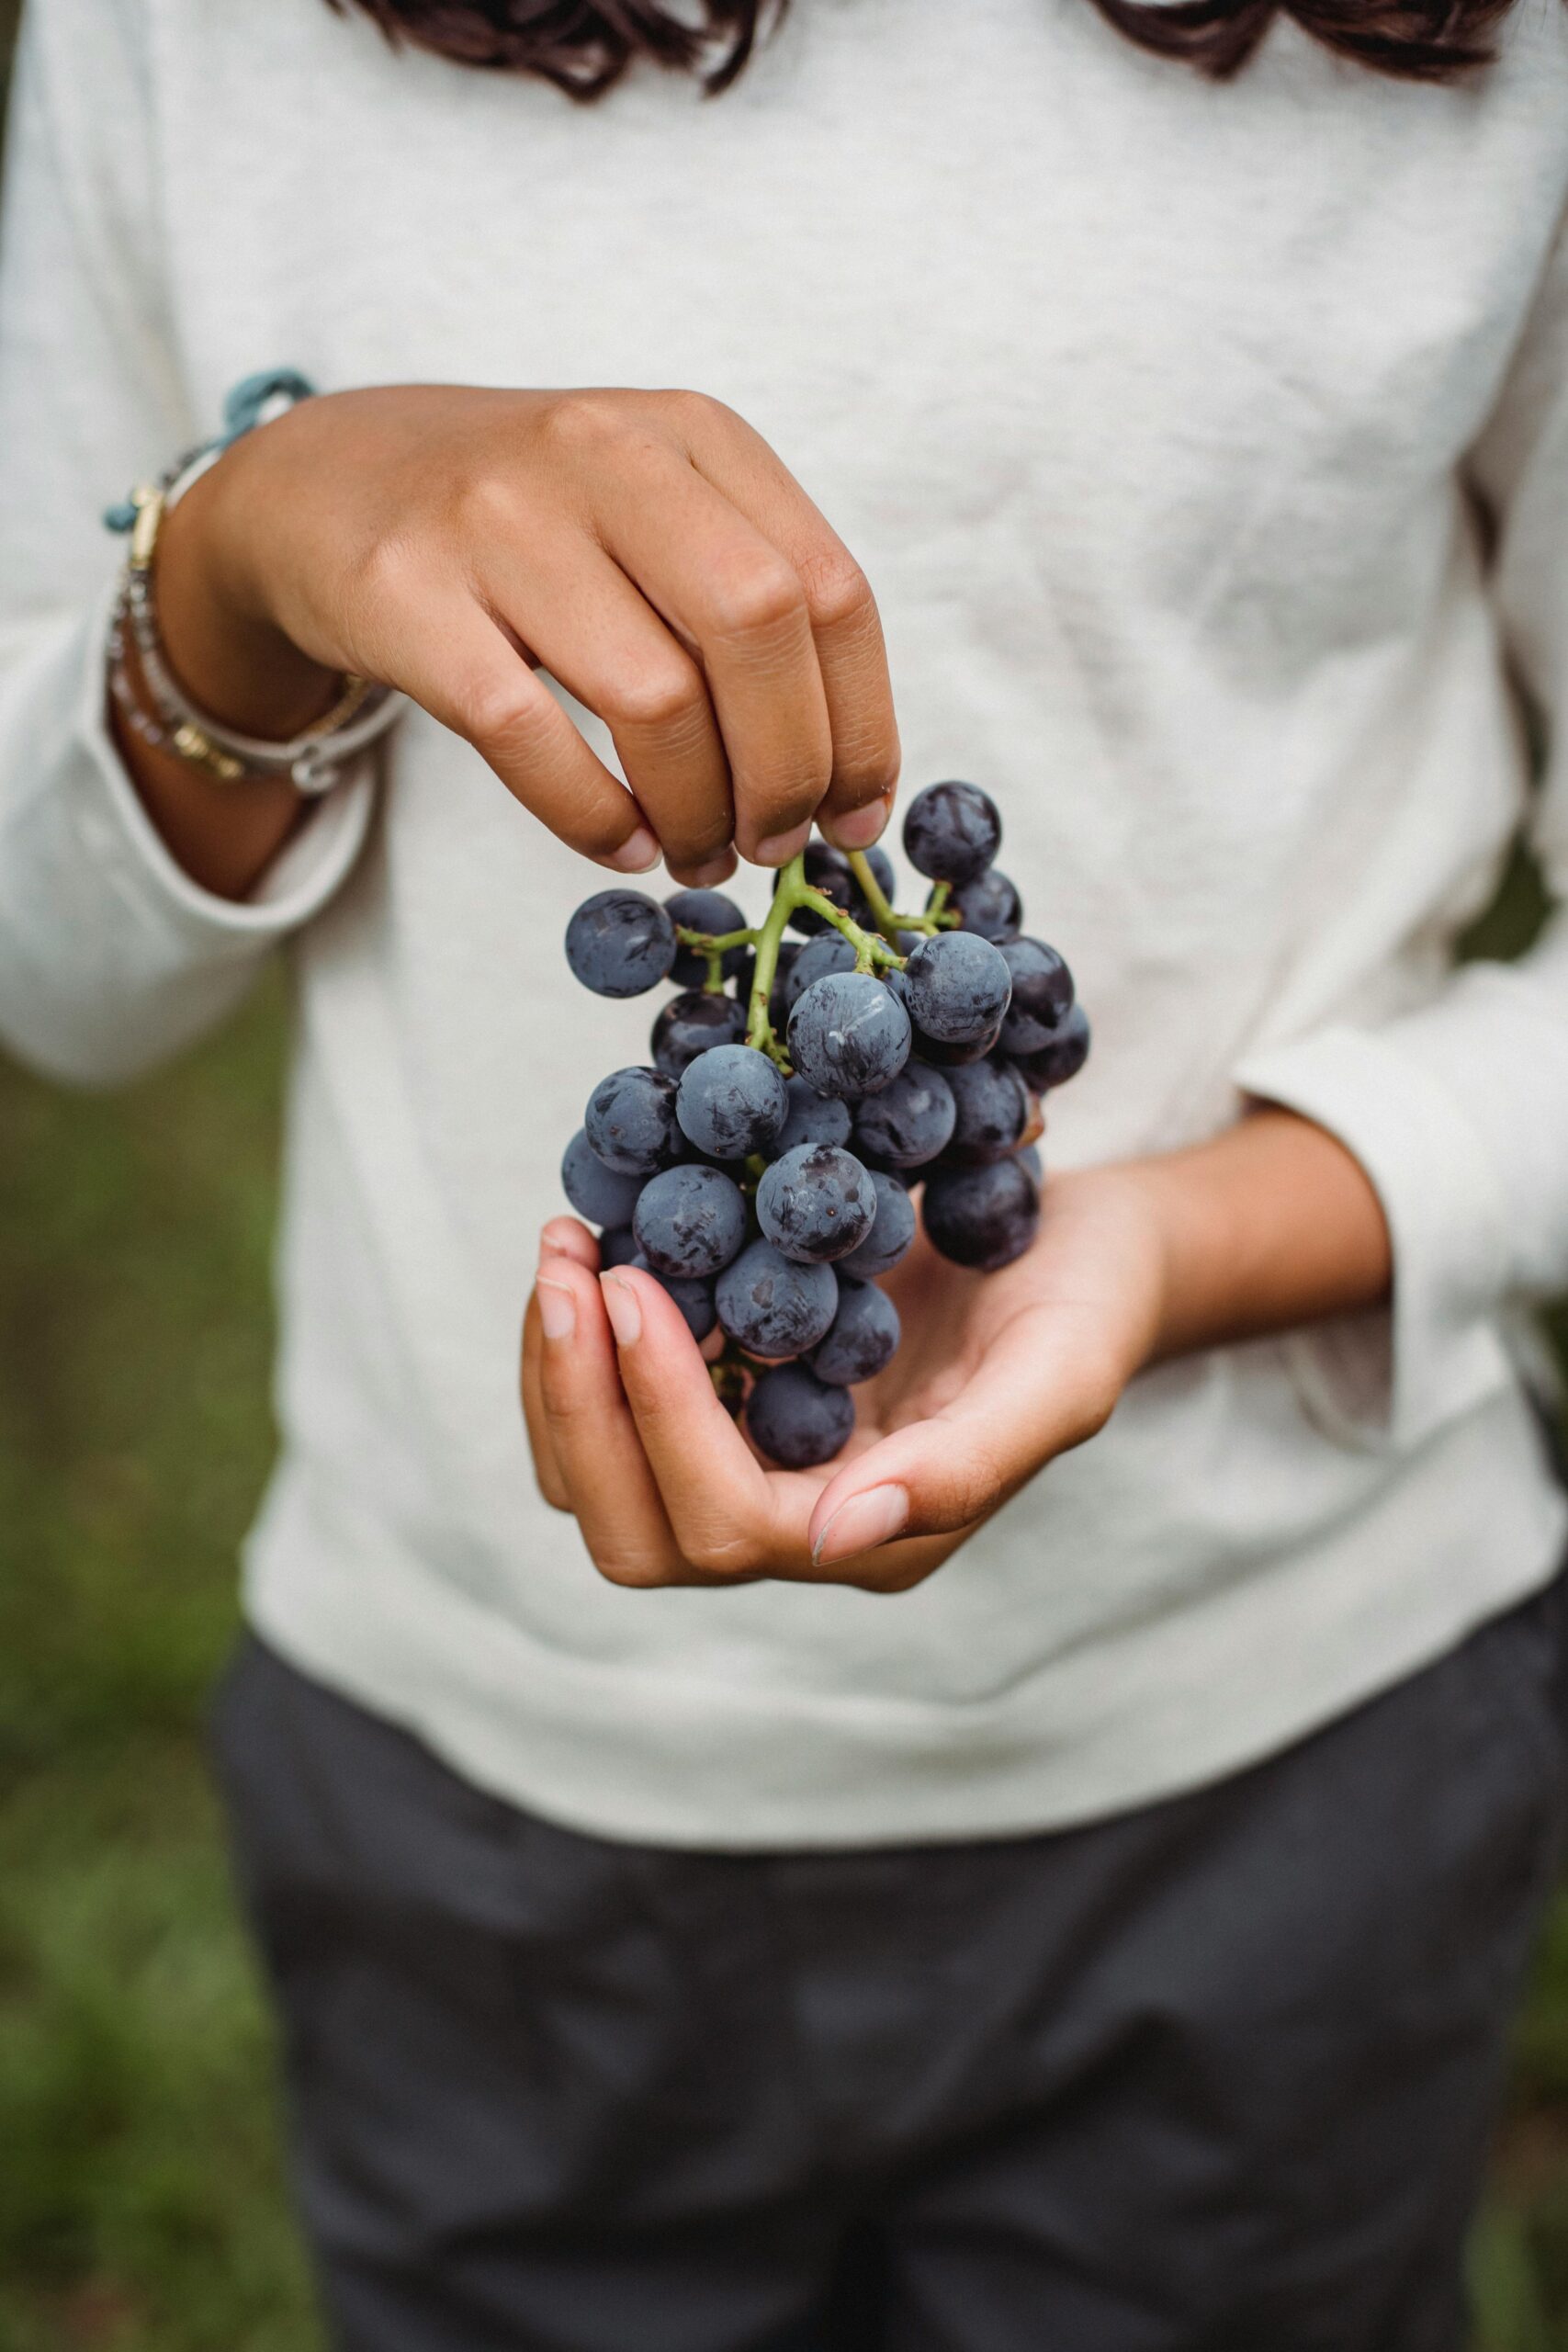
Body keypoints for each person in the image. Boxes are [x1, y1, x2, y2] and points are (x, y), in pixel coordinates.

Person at [4, 0, 1568, 2340]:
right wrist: (242, 551)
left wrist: (1165, 1242)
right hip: (470, 1784)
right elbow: (61, 978)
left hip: (1273, 1773)